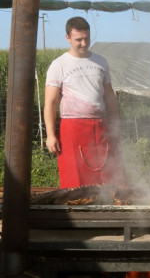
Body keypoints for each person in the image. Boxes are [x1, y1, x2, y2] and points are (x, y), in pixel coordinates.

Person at [44, 16, 123, 188]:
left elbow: (109, 95)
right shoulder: (59, 65)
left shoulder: (101, 62)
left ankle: (109, 208)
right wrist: (50, 135)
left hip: (102, 126)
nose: (83, 43)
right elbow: (50, 102)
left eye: (86, 38)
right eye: (78, 39)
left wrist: (115, 125)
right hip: (73, 127)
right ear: (68, 38)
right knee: (75, 180)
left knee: (109, 174)